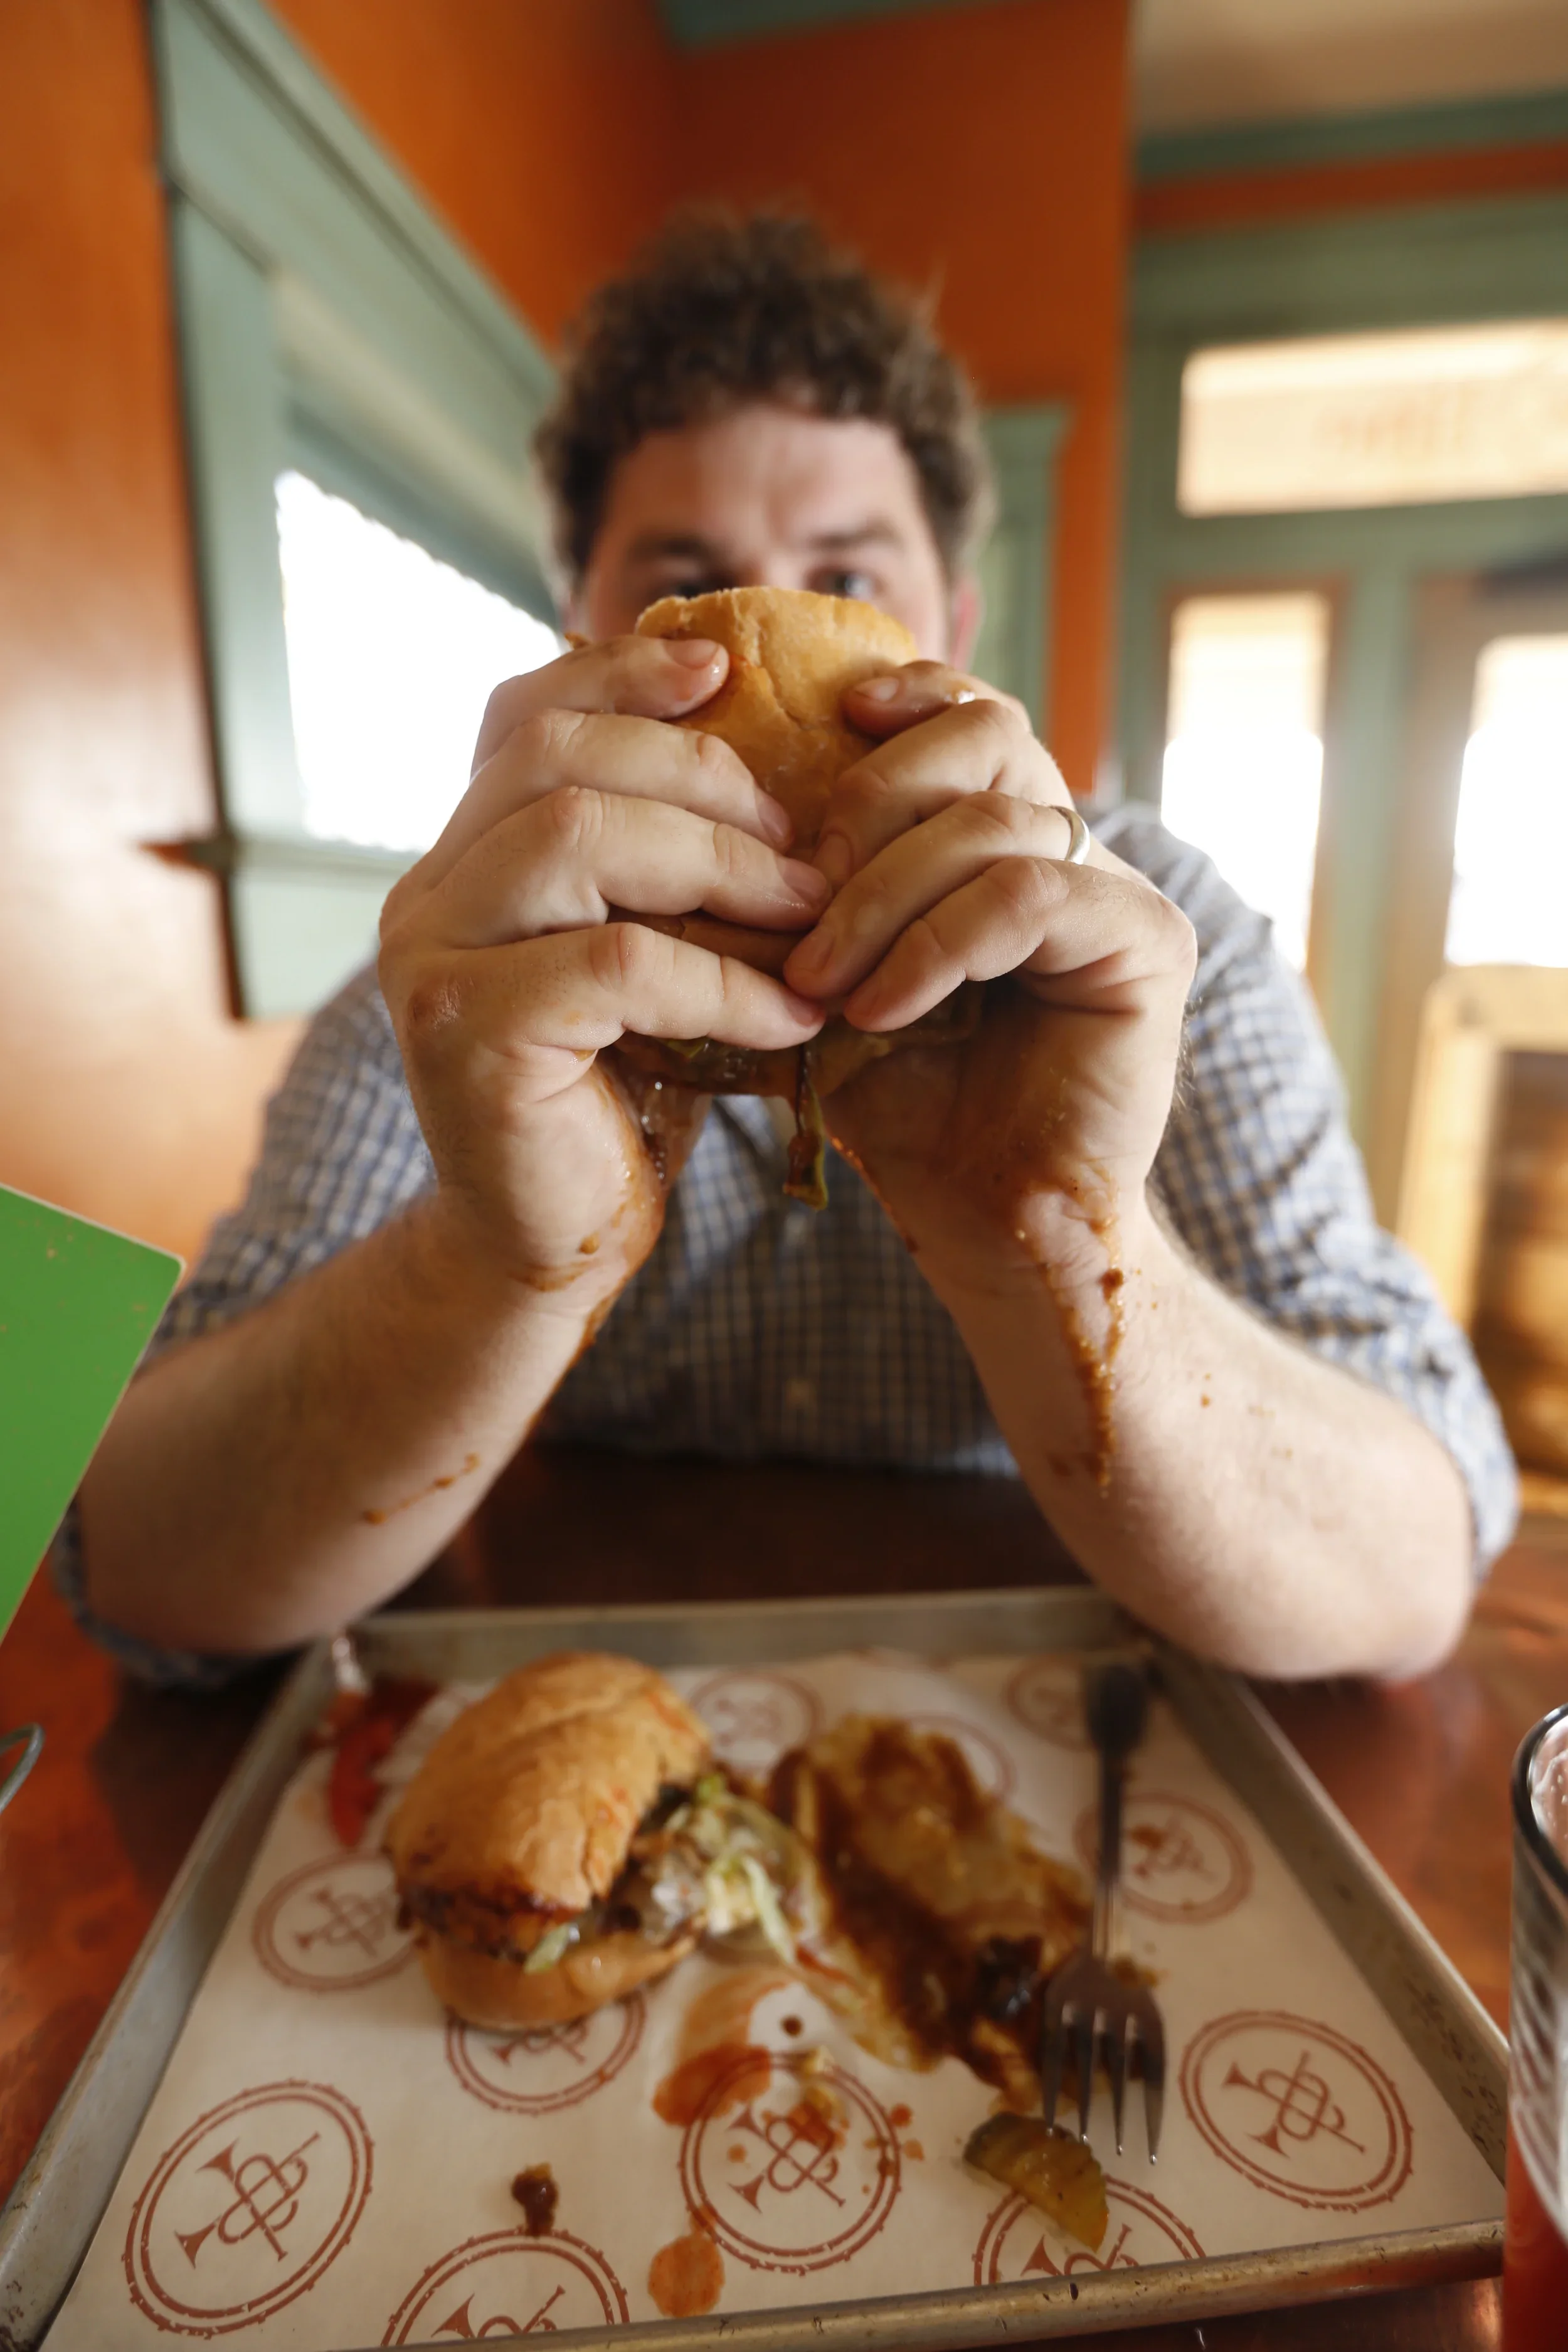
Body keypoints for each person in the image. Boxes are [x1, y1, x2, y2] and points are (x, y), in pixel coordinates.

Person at [65, 213, 1513, 1686]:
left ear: (954, 623)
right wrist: (500, 1259)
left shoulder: (1150, 937)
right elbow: (134, 1559)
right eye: (687, 583)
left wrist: (1061, 1245)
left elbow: (1412, 1570)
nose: (763, 646)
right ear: (579, 632)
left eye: (848, 583)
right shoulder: (458, 978)